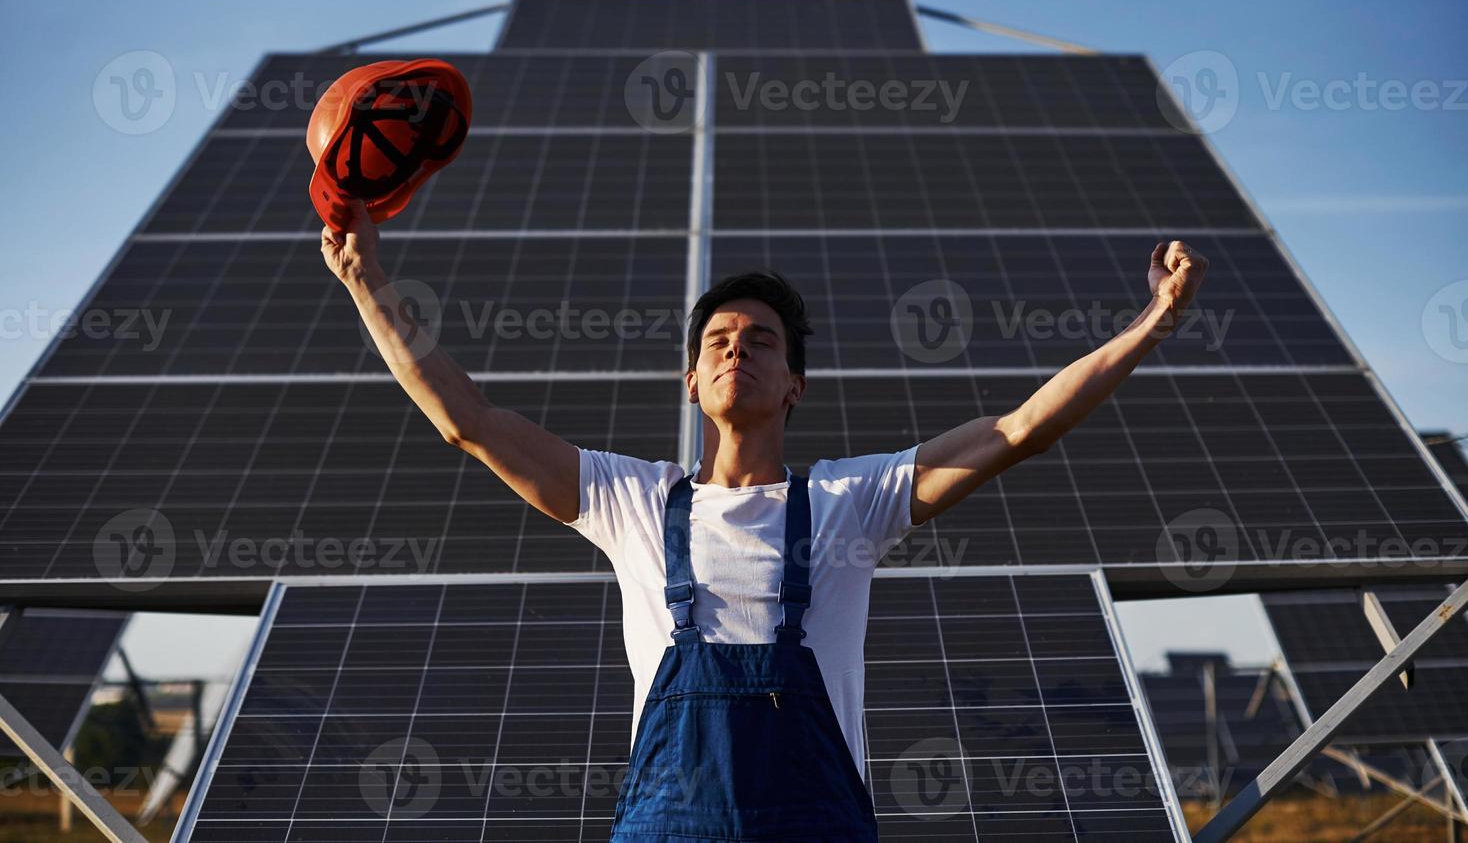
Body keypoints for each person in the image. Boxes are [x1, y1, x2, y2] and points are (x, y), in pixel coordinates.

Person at [321, 196, 1208, 841]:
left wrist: (1152, 323)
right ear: (692, 383)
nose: (736, 347)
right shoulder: (633, 502)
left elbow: (1019, 430)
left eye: (762, 341)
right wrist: (367, 283)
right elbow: (466, 422)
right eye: (717, 341)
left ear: (795, 387)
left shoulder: (849, 502)